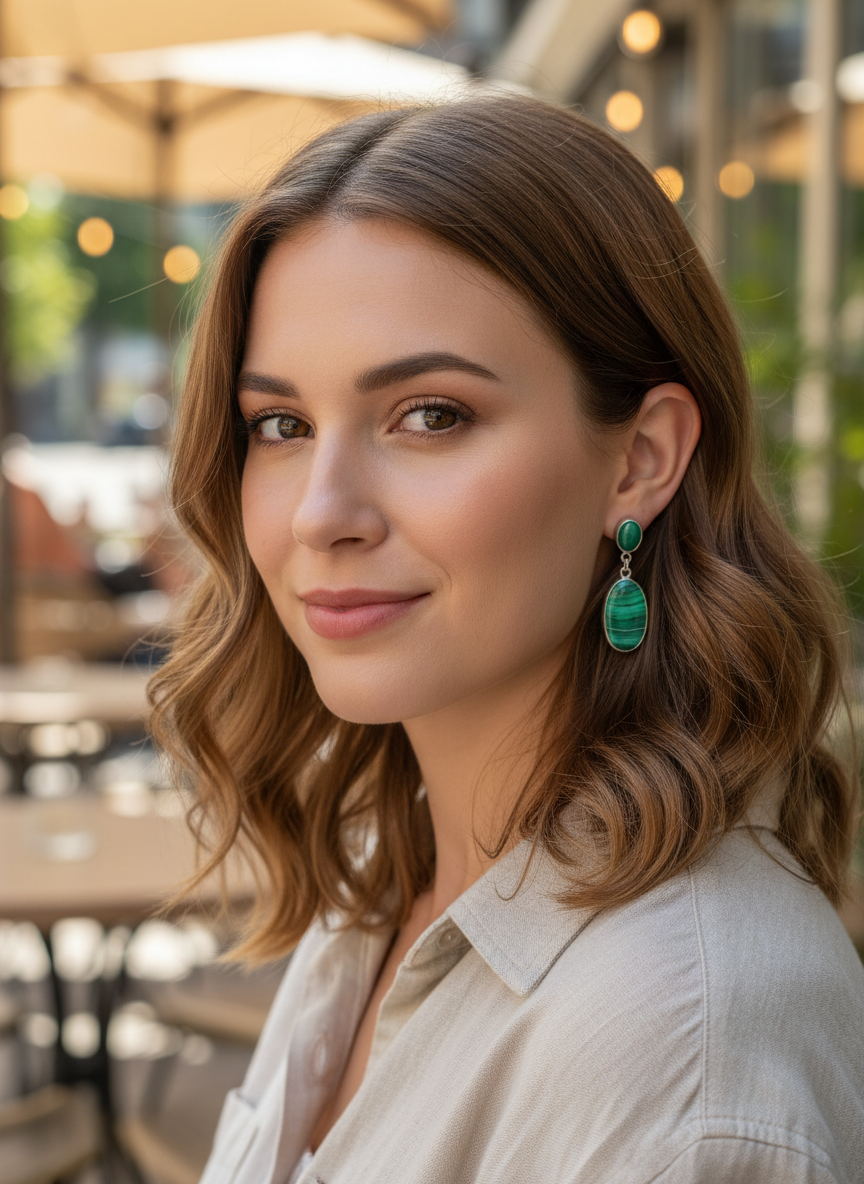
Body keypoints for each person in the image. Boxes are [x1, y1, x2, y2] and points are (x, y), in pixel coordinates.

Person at [149, 93, 864, 1184]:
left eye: (430, 414)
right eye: (281, 425)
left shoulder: (681, 1060)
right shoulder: (394, 890)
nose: (319, 512)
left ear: (639, 461)